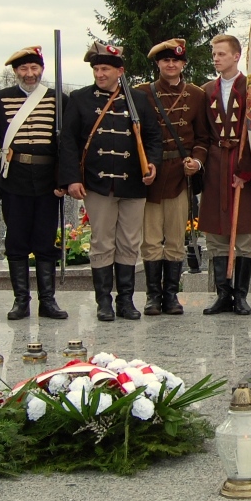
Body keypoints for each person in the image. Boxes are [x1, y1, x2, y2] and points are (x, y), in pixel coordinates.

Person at [58, 41, 161, 322]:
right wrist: (72, 180)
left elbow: (153, 138)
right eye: (96, 69)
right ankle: (104, 301)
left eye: (105, 69)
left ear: (120, 71)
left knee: (129, 242)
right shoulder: (80, 99)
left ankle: (125, 301)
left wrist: (152, 164)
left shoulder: (137, 100)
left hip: (133, 184)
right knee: (102, 242)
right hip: (97, 183)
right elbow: (68, 142)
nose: (100, 74)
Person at [0, 45, 67, 320]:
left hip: (48, 180)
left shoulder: (57, 99)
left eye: (34, 68)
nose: (30, 74)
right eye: (24, 69)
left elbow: (67, 145)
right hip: (13, 179)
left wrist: (64, 179)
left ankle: (48, 301)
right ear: (15, 72)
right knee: (16, 240)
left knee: (45, 240)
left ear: (42, 69)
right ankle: (20, 301)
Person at [135, 39, 210, 316]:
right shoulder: (142, 93)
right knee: (151, 239)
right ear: (158, 64)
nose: (171, 64)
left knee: (177, 238)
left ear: (183, 64)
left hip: (181, 174)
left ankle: (171, 296)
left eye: (176, 60)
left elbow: (203, 137)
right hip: (152, 176)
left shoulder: (196, 95)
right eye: (165, 60)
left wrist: (197, 161)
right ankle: (153, 296)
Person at [200, 33, 251, 316]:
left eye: (221, 54)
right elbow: (202, 133)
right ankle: (222, 294)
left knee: (244, 234)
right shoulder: (205, 90)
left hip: (242, 165)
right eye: (214, 54)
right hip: (216, 165)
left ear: (237, 56)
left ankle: (240, 295)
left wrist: (246, 170)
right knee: (216, 233)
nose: (216, 58)